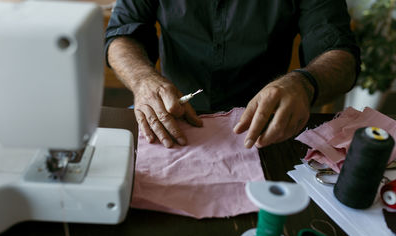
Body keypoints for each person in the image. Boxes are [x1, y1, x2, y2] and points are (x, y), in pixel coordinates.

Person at [105, 0, 360, 149]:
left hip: (267, 125)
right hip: (172, 112)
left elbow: (341, 54)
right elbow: (121, 33)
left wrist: (304, 83)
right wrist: (143, 80)